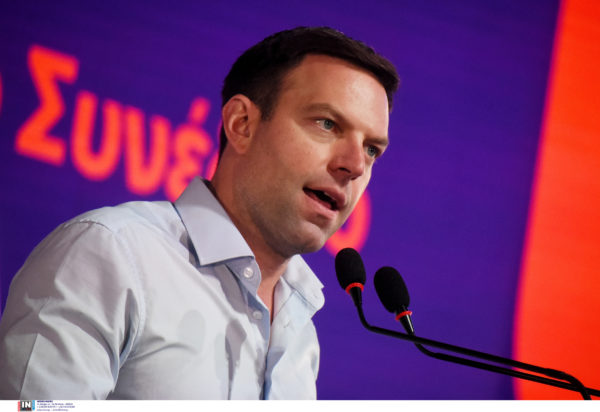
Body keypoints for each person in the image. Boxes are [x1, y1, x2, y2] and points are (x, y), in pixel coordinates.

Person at [0, 26, 398, 399]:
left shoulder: (300, 334)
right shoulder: (112, 256)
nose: (355, 165)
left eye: (371, 149)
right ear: (241, 124)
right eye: (327, 124)